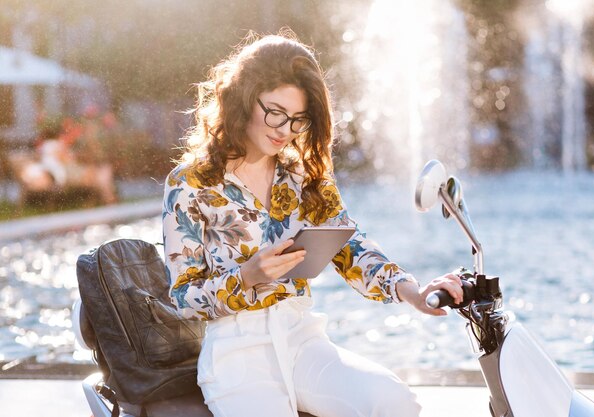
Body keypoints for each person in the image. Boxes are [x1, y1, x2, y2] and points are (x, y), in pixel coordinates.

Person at [162, 31, 464, 417]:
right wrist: (247, 277)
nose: (284, 129)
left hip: (302, 338)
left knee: (395, 402)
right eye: (275, 111)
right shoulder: (189, 182)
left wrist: (413, 292)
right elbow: (183, 298)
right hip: (235, 353)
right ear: (242, 98)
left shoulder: (302, 175)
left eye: (298, 119)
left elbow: (350, 248)